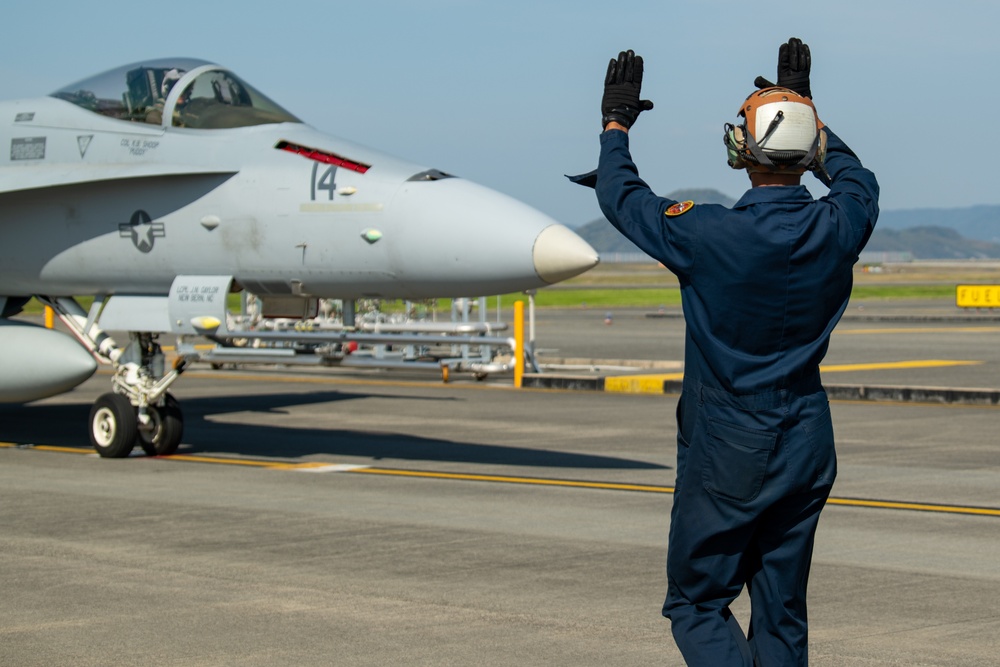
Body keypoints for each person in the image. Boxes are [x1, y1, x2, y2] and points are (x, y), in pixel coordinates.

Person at [573, 39, 879, 665]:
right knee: (781, 609)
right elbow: (856, 178)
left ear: (742, 151)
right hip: (807, 439)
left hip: (731, 444)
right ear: (807, 146)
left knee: (696, 603)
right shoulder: (841, 225)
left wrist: (615, 126)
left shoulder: (707, 232)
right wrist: (804, 109)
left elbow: (621, 197)